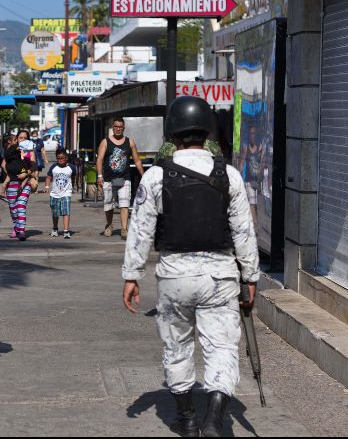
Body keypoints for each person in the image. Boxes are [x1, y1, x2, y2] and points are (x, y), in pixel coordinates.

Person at [121, 96, 260, 437]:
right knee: (223, 346)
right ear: (207, 131)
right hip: (220, 275)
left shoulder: (155, 176)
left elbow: (140, 230)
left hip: (174, 276)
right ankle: (214, 416)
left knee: (177, 345)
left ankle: (186, 417)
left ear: (173, 133)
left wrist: (131, 275)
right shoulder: (228, 174)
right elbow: (244, 230)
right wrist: (251, 275)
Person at [95, 117, 144, 240]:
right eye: (116, 126)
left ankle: (124, 229)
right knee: (108, 204)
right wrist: (99, 175)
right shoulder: (105, 142)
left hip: (125, 178)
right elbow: (99, 159)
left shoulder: (130, 142)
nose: (118, 129)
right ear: (113, 127)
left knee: (124, 204)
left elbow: (137, 160)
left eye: (120, 127)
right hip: (108, 178)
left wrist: (144, 175)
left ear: (123, 128)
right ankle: (109, 225)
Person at [2, 129, 36, 241]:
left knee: (20, 205)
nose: (22, 140)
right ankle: (16, 227)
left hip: (26, 183)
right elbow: (3, 165)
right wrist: (12, 174)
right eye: (20, 138)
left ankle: (21, 230)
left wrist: (25, 174)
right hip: (12, 182)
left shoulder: (30, 151)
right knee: (13, 208)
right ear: (16, 139)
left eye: (25, 138)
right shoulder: (12, 151)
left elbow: (34, 167)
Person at [43, 148, 77, 238]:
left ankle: (66, 231)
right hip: (55, 194)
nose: (60, 160)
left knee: (66, 211)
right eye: (58, 158)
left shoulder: (71, 167)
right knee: (55, 213)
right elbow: (48, 177)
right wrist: (47, 187)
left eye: (62, 158)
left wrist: (72, 186)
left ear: (66, 158)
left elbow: (73, 177)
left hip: (66, 193)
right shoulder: (54, 167)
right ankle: (55, 228)